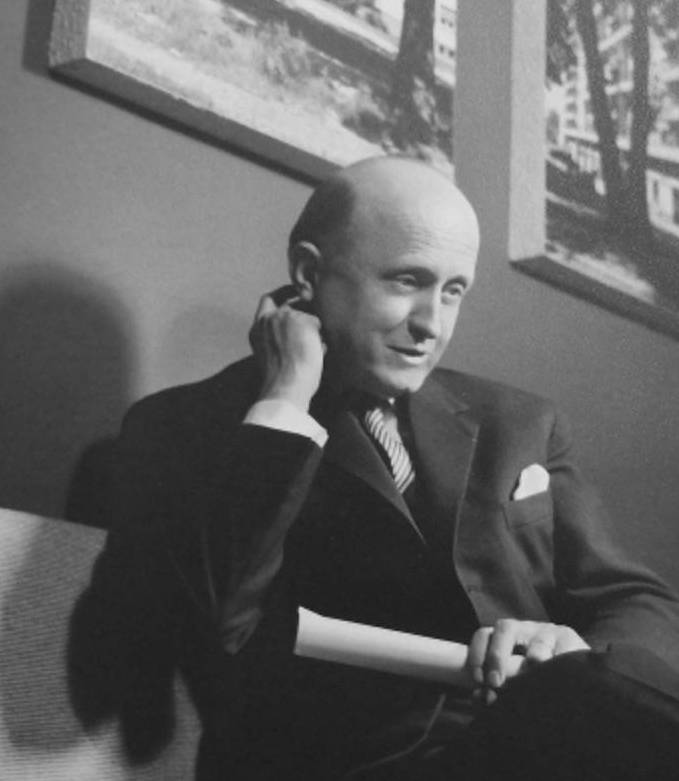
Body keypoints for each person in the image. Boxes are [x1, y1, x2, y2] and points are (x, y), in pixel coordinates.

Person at [70, 156, 679, 780]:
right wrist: (286, 398)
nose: (431, 324)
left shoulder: (520, 422)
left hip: (559, 740)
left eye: (453, 291)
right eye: (407, 281)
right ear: (308, 272)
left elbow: (636, 599)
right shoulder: (183, 427)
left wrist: (577, 651)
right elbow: (222, 623)